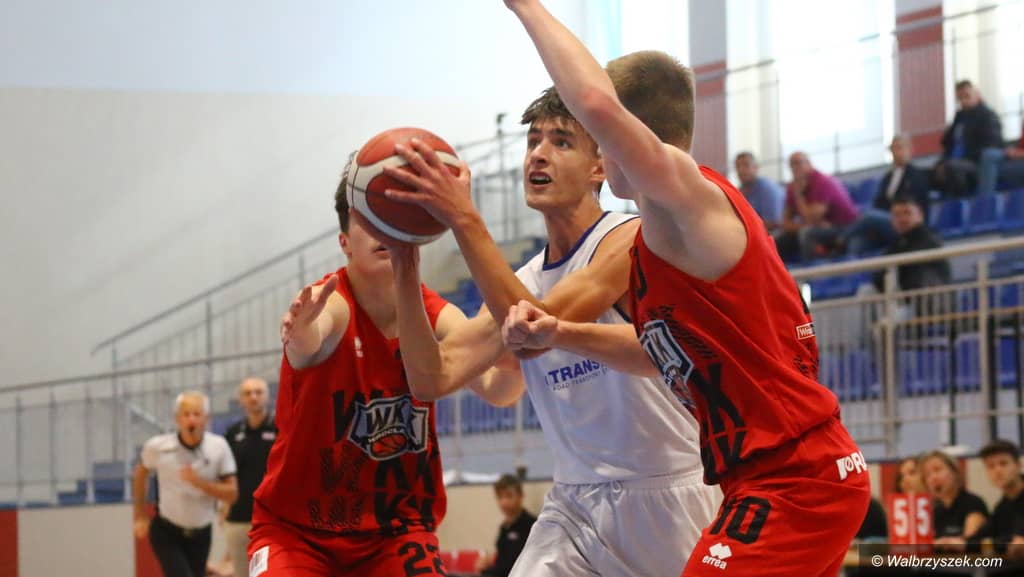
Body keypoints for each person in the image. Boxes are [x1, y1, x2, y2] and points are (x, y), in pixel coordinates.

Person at [496, 1, 871, 576]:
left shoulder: (692, 201)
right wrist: (561, 333)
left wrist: (524, 6)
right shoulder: (657, 241)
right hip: (766, 479)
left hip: (796, 476)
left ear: (623, 136)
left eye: (597, 137)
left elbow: (593, 99)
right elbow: (658, 353)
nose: (597, 151)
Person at [376, 86, 716, 576]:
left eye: (561, 141)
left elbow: (537, 324)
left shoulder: (630, 238)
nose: (538, 153)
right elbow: (433, 377)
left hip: (666, 496)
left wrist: (464, 218)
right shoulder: (523, 280)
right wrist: (404, 262)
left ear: (599, 167)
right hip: (573, 504)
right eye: (533, 140)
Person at [248, 164, 500, 577]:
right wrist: (300, 333)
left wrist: (514, 351)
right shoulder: (331, 302)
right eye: (370, 217)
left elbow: (497, 387)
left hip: (396, 532)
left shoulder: (437, 314)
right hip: (296, 532)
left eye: (392, 213)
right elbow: (312, 337)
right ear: (345, 242)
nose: (384, 227)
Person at [132, 391, 238, 577]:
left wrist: (199, 483)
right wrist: (140, 514)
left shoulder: (218, 447)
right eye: (186, 414)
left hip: (202, 532)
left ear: (206, 418)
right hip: (167, 530)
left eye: (197, 414)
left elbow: (232, 493)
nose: (191, 419)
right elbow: (141, 474)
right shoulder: (158, 447)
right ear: (177, 419)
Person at [223, 377, 276, 577]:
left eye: (258, 392)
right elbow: (225, 475)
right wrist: (223, 506)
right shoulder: (232, 434)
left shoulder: (282, 428)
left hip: (275, 521)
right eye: (247, 393)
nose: (253, 397)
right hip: (239, 519)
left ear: (268, 397)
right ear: (240, 400)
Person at [776, 151, 861, 260]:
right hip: (819, 227)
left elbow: (811, 218)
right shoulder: (793, 186)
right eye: (791, 165)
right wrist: (805, 225)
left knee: (807, 234)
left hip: (844, 226)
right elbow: (786, 224)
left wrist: (799, 195)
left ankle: (813, 269)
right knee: (779, 240)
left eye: (798, 163)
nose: (795, 168)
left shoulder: (822, 182)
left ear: (809, 163)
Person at [933, 80, 1004, 197]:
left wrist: (963, 158)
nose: (963, 101)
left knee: (952, 167)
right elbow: (948, 144)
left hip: (975, 161)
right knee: (932, 171)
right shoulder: (959, 117)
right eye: (960, 98)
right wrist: (942, 162)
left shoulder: (987, 115)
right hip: (955, 160)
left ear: (977, 95)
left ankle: (964, 201)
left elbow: (992, 143)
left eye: (967, 96)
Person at [870, 198, 951, 293]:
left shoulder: (929, 240)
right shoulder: (899, 243)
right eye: (897, 215)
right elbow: (879, 276)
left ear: (920, 215)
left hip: (932, 299)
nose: (902, 219)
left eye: (907, 213)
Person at [919, 450, 988, 548]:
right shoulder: (935, 510)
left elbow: (968, 543)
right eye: (927, 474)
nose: (933, 477)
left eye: (937, 470)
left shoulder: (973, 503)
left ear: (954, 472)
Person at [475, 475, 537, 577]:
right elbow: (503, 559)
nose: (504, 502)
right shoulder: (504, 527)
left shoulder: (532, 525)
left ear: (521, 496)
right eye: (500, 497)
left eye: (509, 496)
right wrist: (490, 561)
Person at [969, 440, 1024, 556]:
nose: (997, 471)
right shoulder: (1002, 506)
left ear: (1018, 465)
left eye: (1003, 464)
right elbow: (980, 537)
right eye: (991, 466)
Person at [875, 135, 931, 213]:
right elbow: (879, 200)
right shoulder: (887, 177)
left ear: (909, 150)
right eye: (893, 149)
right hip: (886, 213)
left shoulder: (917, 175)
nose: (896, 152)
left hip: (906, 215)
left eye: (899, 148)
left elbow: (914, 200)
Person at [735, 151, 784, 233]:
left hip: (775, 234)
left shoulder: (767, 189)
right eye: (737, 166)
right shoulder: (740, 190)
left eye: (746, 165)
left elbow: (774, 223)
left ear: (756, 167)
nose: (741, 170)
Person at [977, 119, 1024, 196]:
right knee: (988, 154)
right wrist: (1013, 149)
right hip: (1017, 155)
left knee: (990, 164)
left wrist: (1017, 153)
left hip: (1020, 157)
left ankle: (985, 198)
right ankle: (985, 197)